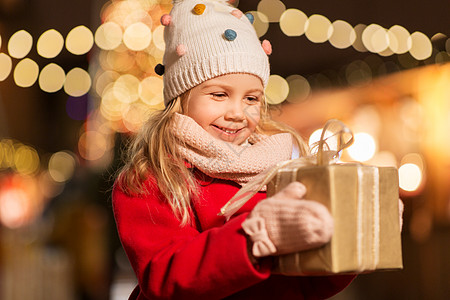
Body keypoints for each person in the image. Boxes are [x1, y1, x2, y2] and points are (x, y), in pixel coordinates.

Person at [112, 0, 356, 299]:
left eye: (251, 99)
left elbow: (303, 285)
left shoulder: (279, 171)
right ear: (180, 97)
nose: (237, 113)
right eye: (219, 94)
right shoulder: (152, 179)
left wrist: (351, 230)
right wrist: (255, 236)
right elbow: (165, 278)